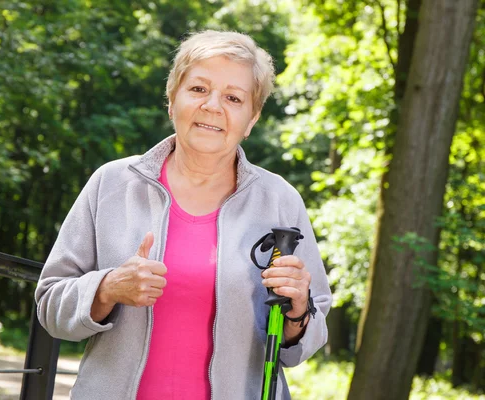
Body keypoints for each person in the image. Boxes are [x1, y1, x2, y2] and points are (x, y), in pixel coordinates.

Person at [34, 30, 332, 400]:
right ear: (172, 100)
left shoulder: (280, 200)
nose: (212, 106)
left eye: (233, 97)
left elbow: (309, 339)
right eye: (198, 89)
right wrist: (108, 287)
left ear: (252, 118)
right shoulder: (111, 183)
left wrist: (298, 310)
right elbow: (50, 305)